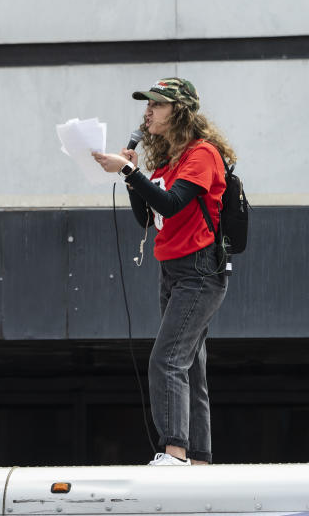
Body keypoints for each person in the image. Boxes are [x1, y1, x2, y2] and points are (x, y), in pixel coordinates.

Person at [93, 77, 233, 466]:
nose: (147, 112)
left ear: (180, 111)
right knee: (190, 364)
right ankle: (199, 458)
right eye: (147, 105)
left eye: (157, 104)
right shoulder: (170, 163)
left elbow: (172, 205)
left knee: (167, 358)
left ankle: (174, 453)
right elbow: (147, 217)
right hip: (174, 269)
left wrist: (128, 173)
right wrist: (134, 176)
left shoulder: (202, 154)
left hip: (199, 270)